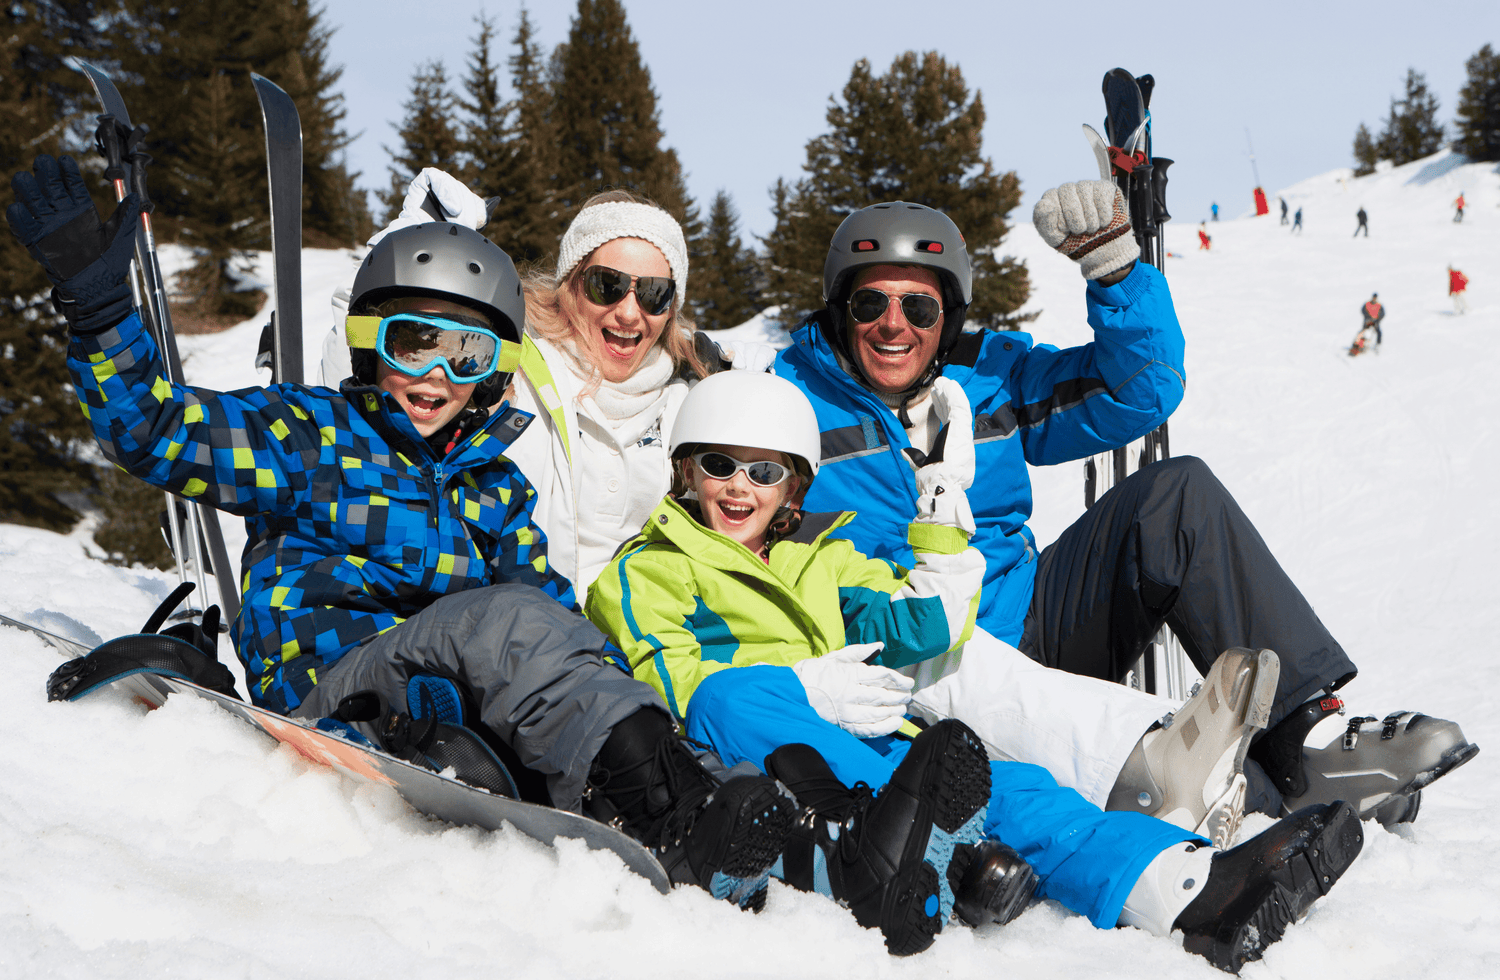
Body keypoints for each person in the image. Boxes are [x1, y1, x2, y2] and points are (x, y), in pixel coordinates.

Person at [6, 154, 795, 906]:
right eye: (413, 343)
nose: (436, 376)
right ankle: (677, 821)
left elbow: (558, 633)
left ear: (493, 367)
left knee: (561, 640)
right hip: (333, 685)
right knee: (510, 622)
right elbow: (155, 429)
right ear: (367, 339)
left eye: (467, 353)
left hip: (448, 702)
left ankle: (760, 827)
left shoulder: (496, 487)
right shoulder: (310, 434)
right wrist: (100, 309)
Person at [588, 370, 1365, 972]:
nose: (738, 488)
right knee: (730, 692)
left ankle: (1187, 893)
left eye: (764, 473)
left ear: (795, 486)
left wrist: (939, 520)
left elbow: (923, 628)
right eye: (719, 465)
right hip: (752, 744)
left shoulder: (822, 556)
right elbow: (672, 687)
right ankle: (918, 847)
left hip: (868, 735)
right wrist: (800, 687)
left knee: (1012, 786)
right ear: (684, 470)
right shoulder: (648, 568)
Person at [767, 185, 1476, 835]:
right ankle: (1216, 786)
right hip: (909, 658)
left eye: (918, 306)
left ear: (947, 315)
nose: (894, 325)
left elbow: (1141, 392)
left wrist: (1115, 272)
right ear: (840, 307)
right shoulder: (787, 402)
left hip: (1028, 624)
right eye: (871, 304)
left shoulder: (990, 377)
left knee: (1175, 498)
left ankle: (1300, 746)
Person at [321, 170, 769, 605]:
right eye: (607, 285)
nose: (630, 314)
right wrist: (393, 271)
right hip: (519, 642)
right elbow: (366, 400)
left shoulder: (690, 397)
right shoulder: (505, 365)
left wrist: (753, 408)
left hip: (648, 649)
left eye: (654, 293)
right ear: (569, 284)